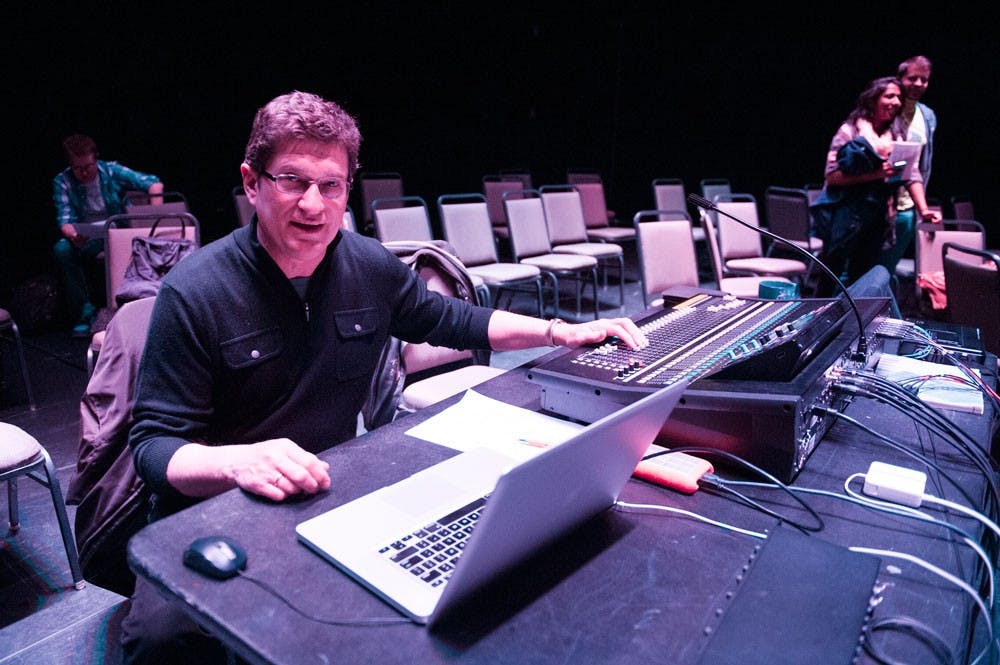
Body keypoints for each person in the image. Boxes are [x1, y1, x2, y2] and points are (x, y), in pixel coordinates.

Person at [120, 90, 648, 663]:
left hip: (324, 486)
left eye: (332, 185)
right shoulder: (194, 292)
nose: (313, 205)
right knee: (161, 642)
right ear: (252, 183)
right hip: (212, 510)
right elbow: (153, 446)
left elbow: (454, 319)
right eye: (293, 181)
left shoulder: (368, 265)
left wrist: (557, 332)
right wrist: (237, 461)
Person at [810, 76, 941, 297]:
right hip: (845, 218)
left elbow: (912, 173)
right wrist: (876, 174)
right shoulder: (850, 131)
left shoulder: (898, 134)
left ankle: (852, 327)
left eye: (899, 97)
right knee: (830, 276)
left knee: (861, 278)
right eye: (889, 96)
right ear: (873, 100)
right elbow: (832, 176)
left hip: (877, 219)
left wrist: (923, 208)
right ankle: (816, 324)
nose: (897, 102)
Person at [52, 134, 164, 336]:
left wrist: (151, 218)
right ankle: (85, 314)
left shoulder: (110, 170)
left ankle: (133, 309)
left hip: (116, 232)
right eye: (78, 168)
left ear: (95, 159)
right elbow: (65, 219)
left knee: (130, 243)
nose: (84, 172)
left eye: (88, 166)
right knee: (62, 249)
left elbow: (155, 184)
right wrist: (73, 235)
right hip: (87, 237)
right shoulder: (63, 181)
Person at [879, 55, 937, 275]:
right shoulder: (888, 109)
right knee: (861, 267)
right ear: (900, 78)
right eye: (913, 78)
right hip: (880, 203)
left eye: (924, 80)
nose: (919, 84)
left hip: (908, 205)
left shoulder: (928, 116)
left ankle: (877, 308)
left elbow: (921, 164)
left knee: (887, 268)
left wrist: (921, 206)